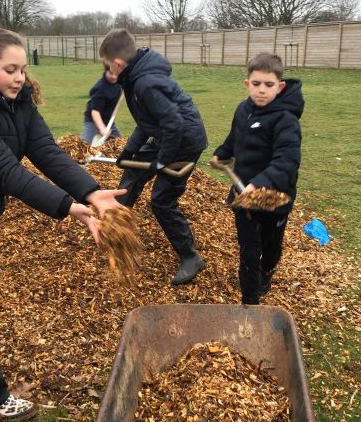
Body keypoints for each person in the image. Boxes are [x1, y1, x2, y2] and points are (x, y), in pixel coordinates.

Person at [0, 26, 126, 422]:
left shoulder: (17, 101)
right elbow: (4, 170)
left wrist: (91, 192)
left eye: (22, 69)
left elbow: (45, 151)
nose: (20, 78)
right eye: (10, 70)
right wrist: (67, 206)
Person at [99, 28, 208, 286]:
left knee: (162, 200)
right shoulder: (136, 77)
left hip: (185, 142)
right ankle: (117, 230)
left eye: (107, 65)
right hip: (167, 136)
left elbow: (174, 124)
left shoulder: (145, 83)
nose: (107, 70)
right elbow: (148, 121)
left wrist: (162, 161)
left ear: (118, 63)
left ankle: (190, 256)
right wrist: (129, 151)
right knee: (133, 172)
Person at [210, 53, 304, 305]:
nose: (262, 90)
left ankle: (267, 270)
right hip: (244, 196)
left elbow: (287, 161)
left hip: (274, 197)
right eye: (256, 83)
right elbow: (235, 138)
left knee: (271, 247)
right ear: (247, 83)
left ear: (280, 87)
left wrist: (259, 183)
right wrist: (222, 153)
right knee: (249, 250)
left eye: (268, 85)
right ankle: (250, 301)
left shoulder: (285, 120)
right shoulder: (243, 110)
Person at [81, 62, 122, 144]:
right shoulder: (100, 88)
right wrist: (102, 128)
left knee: (119, 143)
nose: (114, 76)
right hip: (93, 121)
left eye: (116, 73)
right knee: (84, 146)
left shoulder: (119, 82)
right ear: (106, 70)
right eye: (111, 73)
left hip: (108, 121)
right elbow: (95, 112)